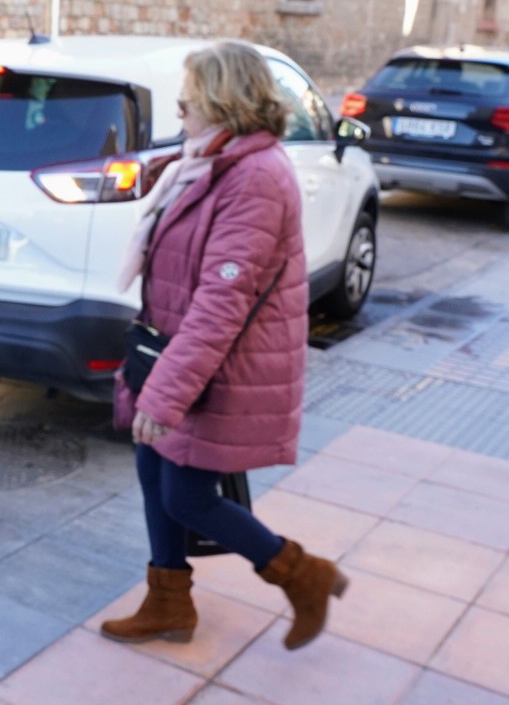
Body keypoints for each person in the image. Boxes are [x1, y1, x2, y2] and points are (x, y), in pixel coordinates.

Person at [101, 40, 346, 652]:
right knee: (151, 466)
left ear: (222, 102)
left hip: (222, 368)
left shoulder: (256, 178)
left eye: (188, 99)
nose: (179, 110)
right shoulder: (210, 161)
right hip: (175, 350)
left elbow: (222, 301)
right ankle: (168, 605)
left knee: (186, 494)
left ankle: (301, 574)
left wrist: (164, 395)